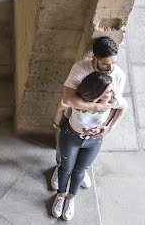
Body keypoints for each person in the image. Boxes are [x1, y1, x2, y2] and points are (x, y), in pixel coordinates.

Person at [50, 36, 128, 191]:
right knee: (63, 149)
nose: (110, 68)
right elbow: (67, 98)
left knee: (85, 155)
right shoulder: (81, 68)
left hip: (96, 126)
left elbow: (115, 104)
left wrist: (106, 127)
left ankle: (80, 170)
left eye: (113, 62)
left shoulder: (119, 75)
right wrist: (95, 107)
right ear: (95, 58)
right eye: (105, 63)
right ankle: (61, 168)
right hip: (72, 118)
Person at [52, 71, 127, 220]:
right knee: (66, 168)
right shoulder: (78, 100)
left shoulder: (113, 100)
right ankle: (60, 195)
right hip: (72, 137)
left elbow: (124, 107)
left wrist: (108, 128)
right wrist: (57, 124)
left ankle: (71, 198)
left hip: (93, 142)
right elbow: (61, 107)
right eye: (108, 91)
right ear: (97, 91)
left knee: (80, 170)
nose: (112, 93)